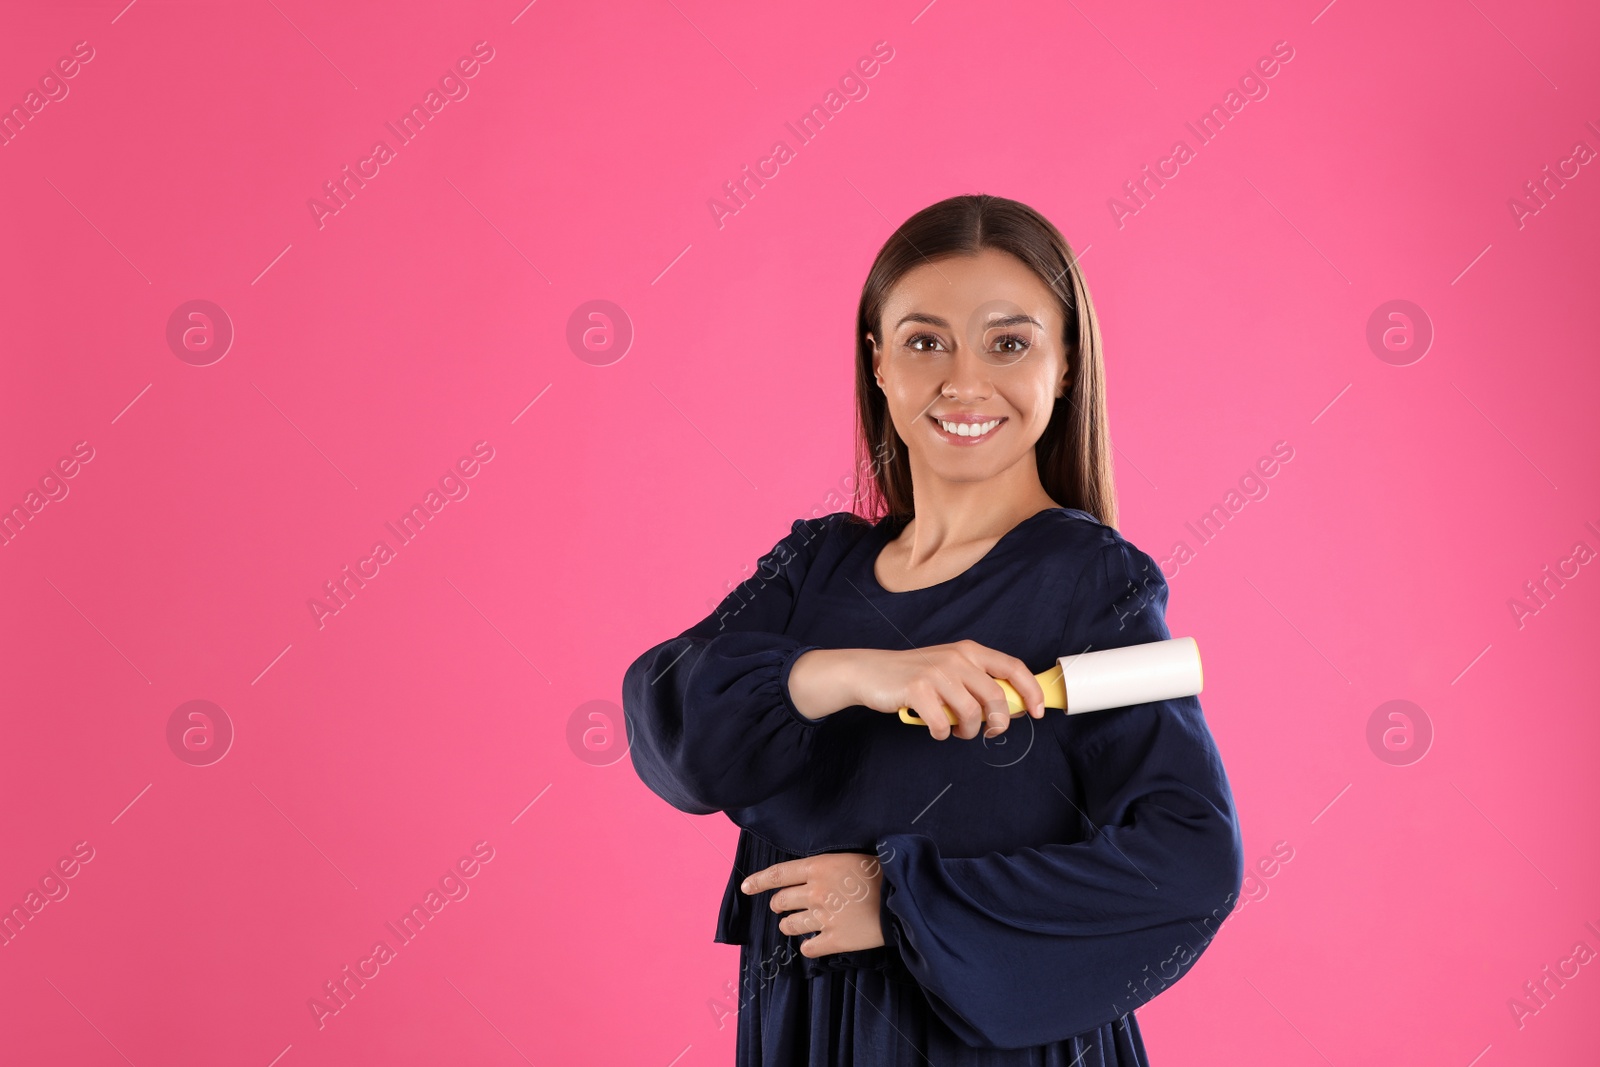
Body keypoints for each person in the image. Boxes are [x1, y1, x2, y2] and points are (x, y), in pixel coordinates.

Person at [621, 194, 1244, 1065]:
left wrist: (900, 900)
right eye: (924, 341)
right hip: (803, 1038)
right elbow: (669, 721)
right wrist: (852, 674)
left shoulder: (1092, 583)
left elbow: (1190, 861)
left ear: (1064, 365)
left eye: (1009, 341)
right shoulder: (816, 566)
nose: (963, 380)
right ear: (878, 363)